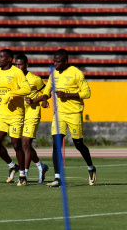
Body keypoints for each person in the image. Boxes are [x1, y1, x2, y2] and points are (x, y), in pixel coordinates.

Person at [41, 49, 95, 187]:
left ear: (66, 61)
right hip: (59, 114)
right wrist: (44, 99)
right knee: (56, 144)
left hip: (74, 113)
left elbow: (87, 93)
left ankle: (91, 168)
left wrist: (67, 95)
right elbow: (47, 90)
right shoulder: (54, 74)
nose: (55, 64)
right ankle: (58, 178)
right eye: (54, 61)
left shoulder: (76, 73)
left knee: (78, 145)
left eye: (58, 61)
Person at [0, 49, 31, 185]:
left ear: (9, 59)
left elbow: (26, 89)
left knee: (16, 145)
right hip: (2, 114)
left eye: (2, 56)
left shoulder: (17, 72)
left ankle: (23, 175)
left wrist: (11, 94)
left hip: (16, 114)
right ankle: (12, 165)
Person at [14, 54, 49, 185]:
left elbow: (47, 93)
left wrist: (35, 100)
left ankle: (24, 176)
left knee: (25, 144)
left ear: (26, 65)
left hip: (32, 112)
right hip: (18, 113)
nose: (17, 67)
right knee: (22, 145)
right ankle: (41, 166)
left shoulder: (35, 79)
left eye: (20, 64)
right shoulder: (13, 78)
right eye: (16, 64)